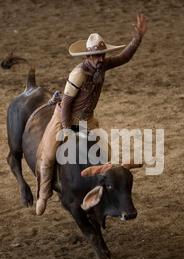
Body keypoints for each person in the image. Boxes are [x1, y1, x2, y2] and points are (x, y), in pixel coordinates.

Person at [35, 14, 148, 215]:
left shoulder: (102, 65)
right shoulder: (78, 74)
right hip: (65, 118)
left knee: (107, 152)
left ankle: (102, 188)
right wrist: (67, 130)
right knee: (49, 155)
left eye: (103, 55)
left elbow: (124, 57)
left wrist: (137, 38)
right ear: (88, 57)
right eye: (97, 56)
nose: (101, 59)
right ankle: (44, 194)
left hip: (87, 120)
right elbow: (68, 103)